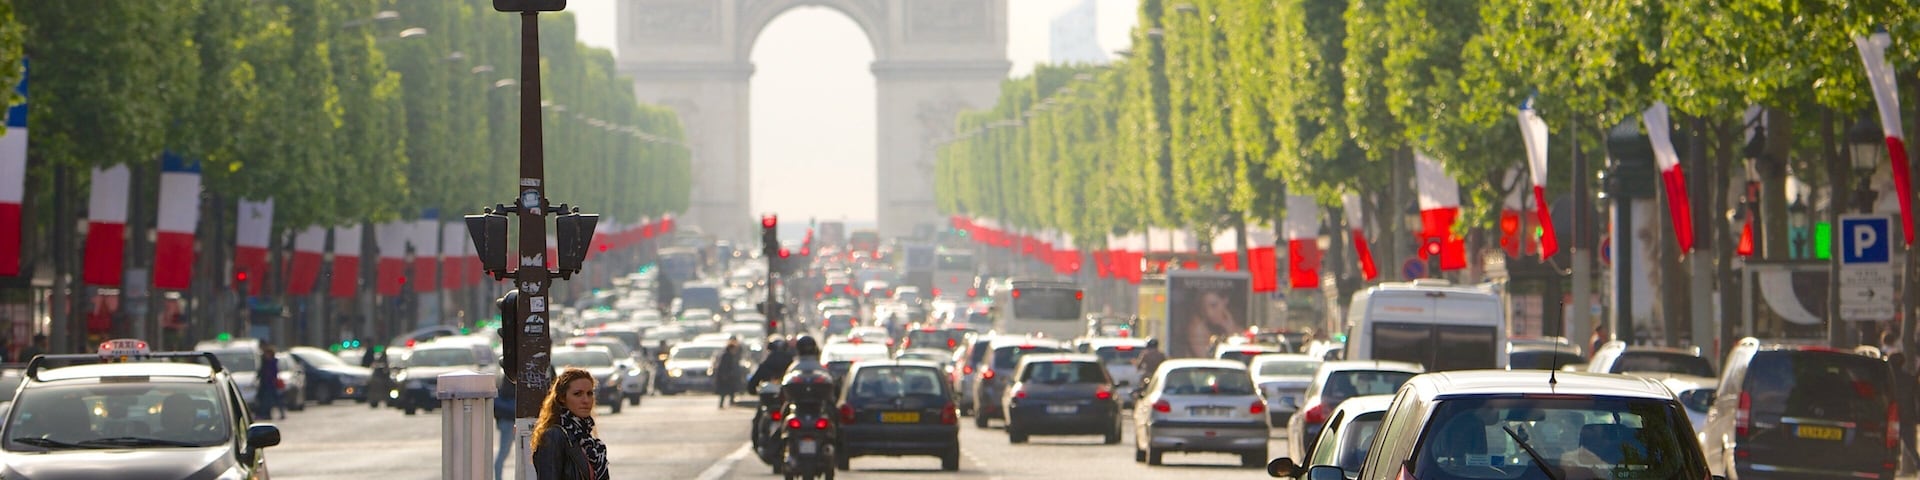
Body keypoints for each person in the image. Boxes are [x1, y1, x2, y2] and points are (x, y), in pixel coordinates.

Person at [532, 368, 610, 480]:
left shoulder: (592, 444)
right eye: (578, 394)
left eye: (589, 394)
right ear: (562, 398)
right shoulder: (554, 436)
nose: (586, 400)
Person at [1182, 290, 1239, 357]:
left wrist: (1230, 329)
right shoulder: (1198, 328)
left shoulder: (1233, 323)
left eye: (1213, 305)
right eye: (1204, 307)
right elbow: (1206, 360)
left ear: (1225, 301)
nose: (1209, 313)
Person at [494, 376, 517, 480]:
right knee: (504, 452)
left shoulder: (507, 374)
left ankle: (498, 477)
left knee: (503, 452)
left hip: (506, 420)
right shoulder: (518, 374)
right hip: (511, 420)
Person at [712, 337, 743, 408]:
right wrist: (725, 375)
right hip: (726, 377)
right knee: (725, 391)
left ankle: (729, 402)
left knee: (730, 390)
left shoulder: (730, 355)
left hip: (729, 376)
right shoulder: (726, 355)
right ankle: (725, 403)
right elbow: (724, 367)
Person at [257, 344, 285, 420]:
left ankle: (270, 414)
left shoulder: (272, 362)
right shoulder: (266, 362)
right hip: (267, 383)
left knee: (271, 400)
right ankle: (268, 414)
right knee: (270, 400)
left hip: (271, 384)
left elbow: (272, 373)